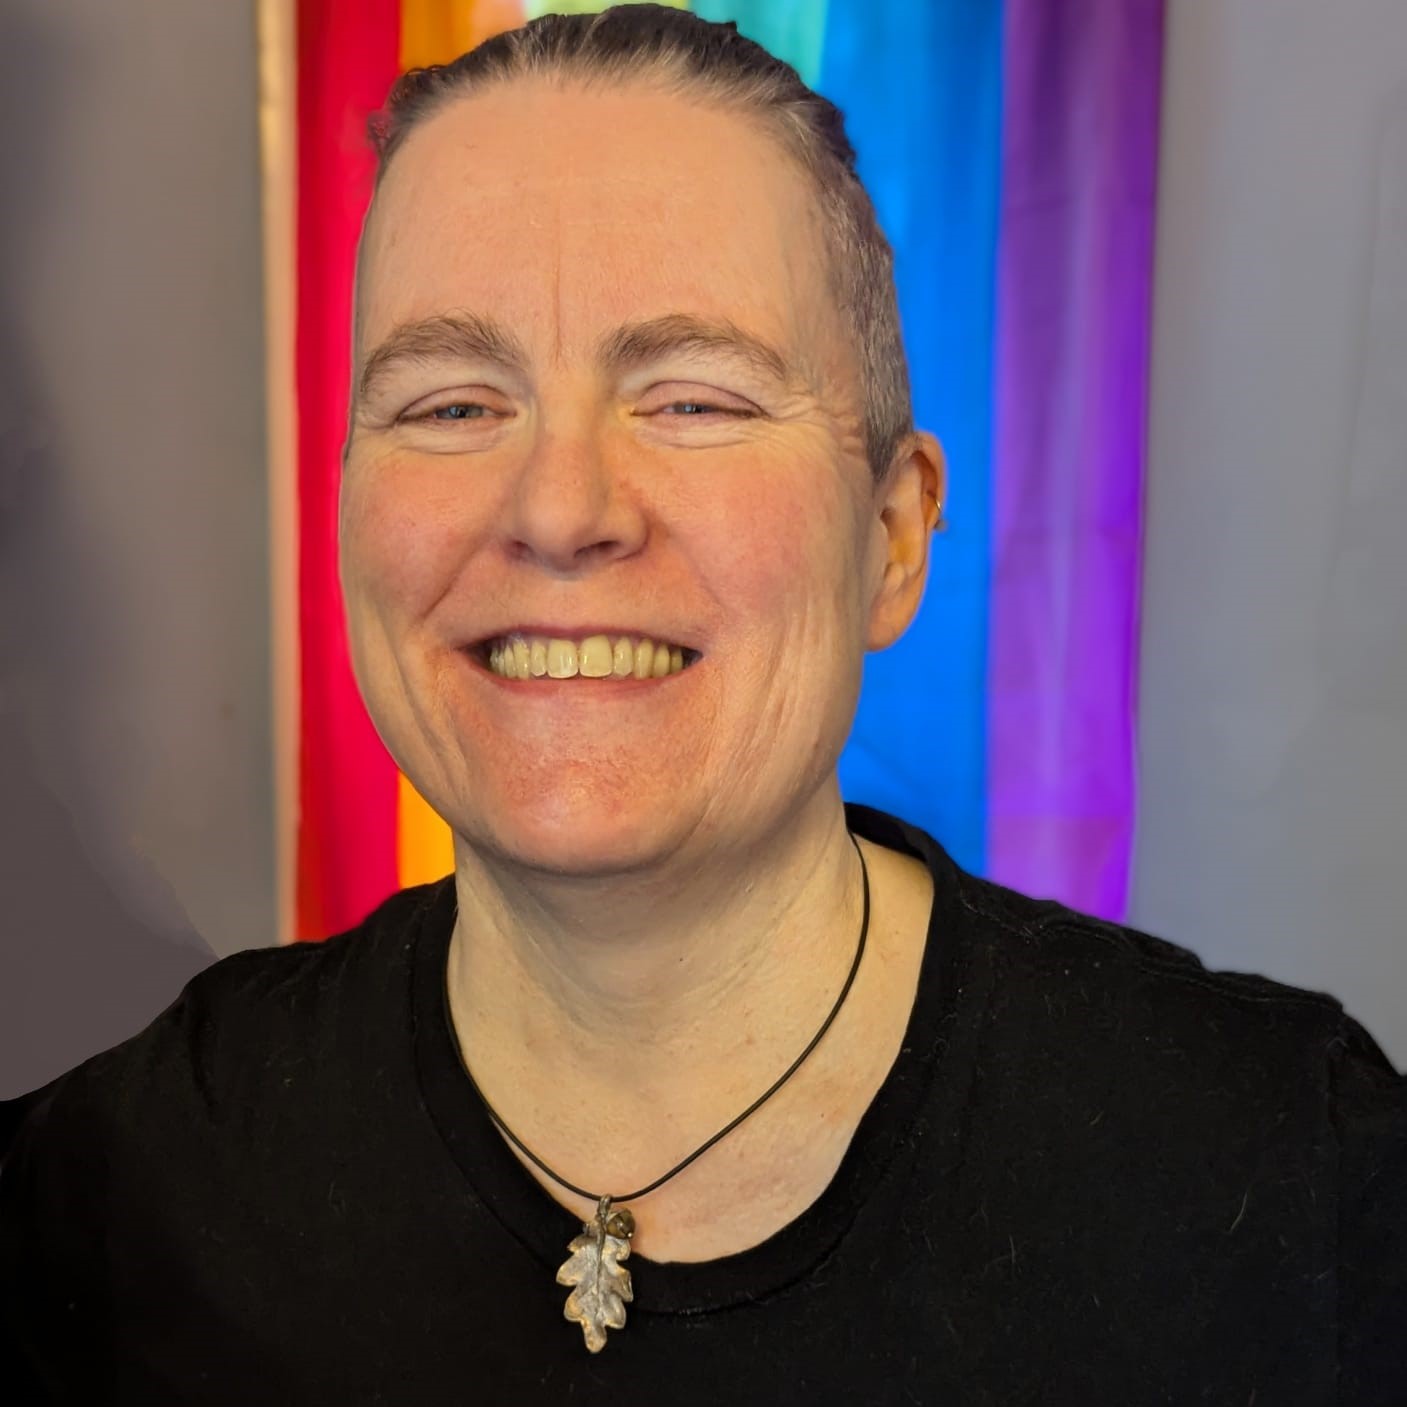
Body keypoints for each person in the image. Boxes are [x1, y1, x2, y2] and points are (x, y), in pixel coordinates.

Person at [2, 6, 1403, 1402]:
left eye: (694, 400)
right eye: (448, 403)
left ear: (895, 538)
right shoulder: (118, 1200)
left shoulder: (1290, 1181)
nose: (559, 510)